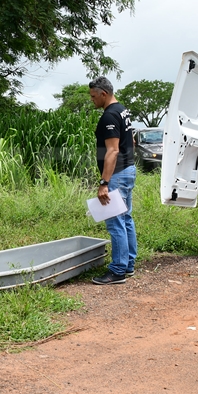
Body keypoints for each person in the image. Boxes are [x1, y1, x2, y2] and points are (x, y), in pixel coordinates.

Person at [88, 76, 138, 285]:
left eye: (93, 96)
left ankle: (117, 271)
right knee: (126, 218)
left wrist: (104, 183)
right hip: (128, 169)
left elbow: (112, 150)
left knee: (115, 222)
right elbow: (132, 142)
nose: (92, 100)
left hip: (117, 174)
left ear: (103, 94)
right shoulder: (123, 110)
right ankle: (128, 264)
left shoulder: (109, 116)